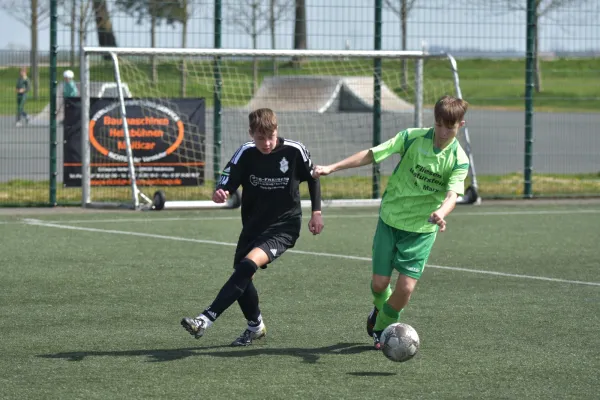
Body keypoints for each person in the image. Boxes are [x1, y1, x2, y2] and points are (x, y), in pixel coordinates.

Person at [312, 95, 470, 349]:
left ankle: (384, 327)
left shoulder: (459, 159)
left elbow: (453, 194)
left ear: (460, 125)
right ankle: (380, 311)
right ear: (435, 120)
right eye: (439, 124)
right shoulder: (411, 137)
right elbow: (372, 155)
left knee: (405, 288)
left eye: (449, 127)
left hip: (421, 230)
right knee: (379, 284)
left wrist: (442, 212)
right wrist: (332, 167)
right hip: (390, 220)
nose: (442, 132)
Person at [181, 108, 324, 346]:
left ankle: (205, 320)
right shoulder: (246, 153)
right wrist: (221, 192)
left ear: (277, 130)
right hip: (253, 226)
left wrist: (316, 213)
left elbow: (314, 177)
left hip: (284, 226)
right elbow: (227, 180)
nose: (267, 143)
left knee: (247, 265)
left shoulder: (294, 150)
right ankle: (255, 326)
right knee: (242, 272)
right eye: (260, 138)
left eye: (271, 137)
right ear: (251, 133)